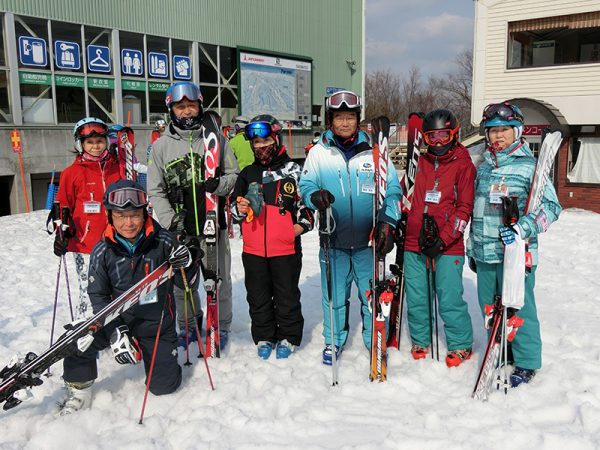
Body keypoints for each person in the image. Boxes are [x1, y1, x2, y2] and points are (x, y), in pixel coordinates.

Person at [57, 179, 199, 415]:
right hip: (117, 320)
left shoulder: (163, 242)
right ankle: (79, 389)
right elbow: (98, 295)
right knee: (79, 340)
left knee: (164, 387)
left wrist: (189, 263)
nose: (128, 223)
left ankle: (154, 356)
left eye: (134, 215)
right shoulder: (102, 250)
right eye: (121, 216)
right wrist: (115, 331)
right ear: (110, 216)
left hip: (156, 326)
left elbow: (185, 284)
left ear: (144, 214)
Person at [299, 90, 401, 365]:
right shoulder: (320, 152)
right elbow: (305, 185)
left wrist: (388, 222)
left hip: (369, 242)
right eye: (339, 117)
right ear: (331, 120)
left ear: (358, 119)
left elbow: (392, 190)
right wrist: (314, 197)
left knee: (373, 296)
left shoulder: (375, 152)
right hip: (333, 240)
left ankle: (375, 339)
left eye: (350, 117)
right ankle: (333, 340)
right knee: (334, 297)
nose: (345, 123)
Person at [467, 101, 562, 386]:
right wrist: (472, 248)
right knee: (489, 309)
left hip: (515, 254)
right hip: (485, 252)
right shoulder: (483, 166)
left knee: (520, 309)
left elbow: (551, 208)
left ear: (517, 131)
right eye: (493, 131)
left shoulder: (530, 167)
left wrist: (523, 228)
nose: (498, 136)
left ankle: (527, 360)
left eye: (505, 130)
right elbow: (476, 210)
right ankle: (501, 351)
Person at [147, 81, 239, 351]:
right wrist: (170, 222)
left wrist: (219, 185)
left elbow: (233, 175)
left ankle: (220, 325)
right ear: (171, 110)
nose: (186, 111)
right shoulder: (161, 147)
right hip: (180, 229)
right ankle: (188, 325)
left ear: (200, 106)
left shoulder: (216, 140)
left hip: (214, 226)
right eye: (180, 106)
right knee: (183, 283)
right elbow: (154, 189)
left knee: (220, 281)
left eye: (191, 105)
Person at [231, 115, 314, 359]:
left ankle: (289, 336)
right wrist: (241, 209)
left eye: (265, 140)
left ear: (276, 138)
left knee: (286, 295)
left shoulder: (294, 170)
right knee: (257, 296)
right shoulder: (247, 174)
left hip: (286, 249)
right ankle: (264, 335)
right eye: (256, 143)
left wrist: (295, 230)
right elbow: (234, 211)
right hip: (254, 249)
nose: (261, 147)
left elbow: (307, 209)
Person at [403, 109, 476, 367]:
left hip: (448, 245)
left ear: (453, 135)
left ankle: (460, 343)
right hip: (414, 242)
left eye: (443, 136)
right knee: (417, 297)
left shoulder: (463, 164)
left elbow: (464, 209)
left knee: (449, 296)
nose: (437, 143)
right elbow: (405, 194)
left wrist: (443, 240)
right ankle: (421, 339)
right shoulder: (418, 162)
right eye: (431, 136)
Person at [54, 117, 122, 319]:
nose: (96, 147)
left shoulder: (117, 169)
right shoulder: (71, 173)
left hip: (116, 241)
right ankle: (85, 330)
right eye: (90, 143)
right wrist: (61, 234)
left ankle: (114, 327)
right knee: (89, 290)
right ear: (80, 144)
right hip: (85, 245)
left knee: (117, 287)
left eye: (100, 141)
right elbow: (62, 206)